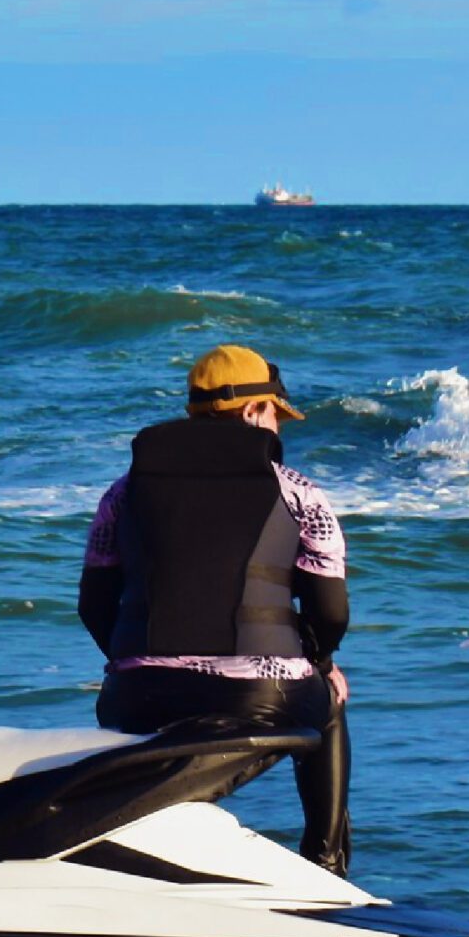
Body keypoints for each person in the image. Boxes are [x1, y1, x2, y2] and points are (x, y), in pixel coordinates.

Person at [77, 344, 352, 874]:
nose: (280, 429)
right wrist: (320, 662)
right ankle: (327, 865)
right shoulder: (297, 493)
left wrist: (140, 661)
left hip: (134, 698)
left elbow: (93, 604)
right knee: (331, 699)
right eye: (277, 414)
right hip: (260, 697)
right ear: (252, 411)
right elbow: (331, 610)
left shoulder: (123, 492)